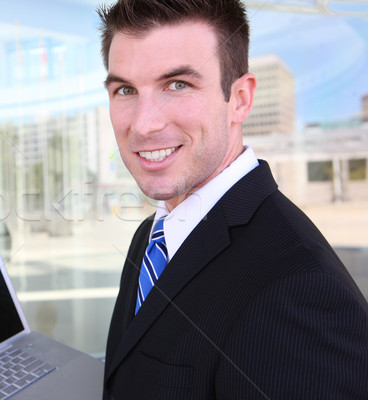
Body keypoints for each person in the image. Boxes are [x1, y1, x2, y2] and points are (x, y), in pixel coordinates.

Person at [97, 0, 368, 398]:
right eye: (125, 90)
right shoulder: (152, 236)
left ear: (239, 99)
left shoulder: (298, 290)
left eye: (178, 85)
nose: (143, 123)